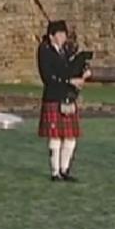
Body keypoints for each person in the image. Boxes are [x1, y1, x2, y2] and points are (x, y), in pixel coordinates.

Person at [37, 20, 90, 181]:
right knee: (55, 137)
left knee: (70, 137)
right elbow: (47, 77)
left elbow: (71, 68)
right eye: (59, 34)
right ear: (51, 36)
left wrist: (83, 74)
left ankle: (65, 169)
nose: (63, 37)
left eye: (64, 34)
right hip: (53, 97)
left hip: (68, 97)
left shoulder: (65, 51)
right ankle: (55, 172)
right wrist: (69, 81)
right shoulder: (44, 51)